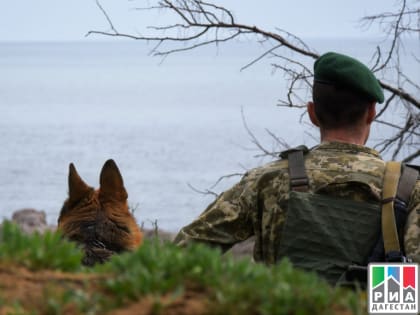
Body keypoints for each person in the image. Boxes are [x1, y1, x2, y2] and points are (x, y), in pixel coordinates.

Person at [173, 52, 420, 284]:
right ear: (371, 114)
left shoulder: (267, 180)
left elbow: (185, 249)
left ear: (312, 113)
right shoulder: (409, 188)